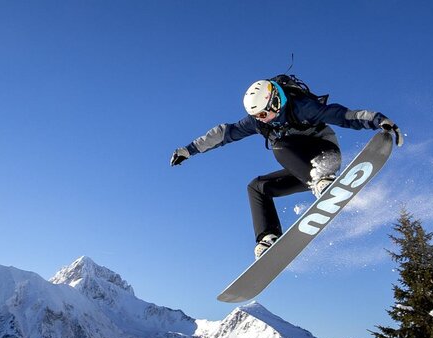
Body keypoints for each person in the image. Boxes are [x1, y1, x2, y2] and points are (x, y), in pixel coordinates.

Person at [170, 77, 402, 260]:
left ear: (275, 101)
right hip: (305, 173)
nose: (262, 119)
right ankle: (268, 236)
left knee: (280, 146)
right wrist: (189, 150)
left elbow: (344, 115)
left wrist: (378, 120)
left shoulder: (301, 108)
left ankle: (323, 180)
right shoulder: (258, 122)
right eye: (256, 116)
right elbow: (223, 133)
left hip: (325, 156)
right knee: (257, 187)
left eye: (263, 113)